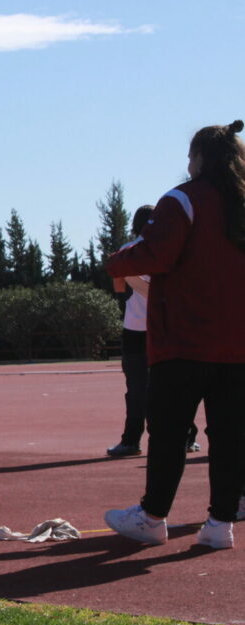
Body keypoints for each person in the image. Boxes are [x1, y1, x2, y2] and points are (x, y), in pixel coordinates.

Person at [104, 120, 245, 549]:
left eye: (190, 156)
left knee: (167, 432)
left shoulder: (182, 199)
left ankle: (152, 517)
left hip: (184, 340)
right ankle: (222, 524)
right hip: (238, 343)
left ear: (201, 158)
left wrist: (117, 260)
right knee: (229, 435)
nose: (187, 163)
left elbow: (156, 253)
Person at [106, 206, 199, 458]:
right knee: (173, 386)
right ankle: (186, 437)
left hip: (137, 328)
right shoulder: (170, 250)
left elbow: (118, 287)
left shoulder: (127, 251)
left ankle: (131, 441)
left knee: (137, 388)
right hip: (167, 328)